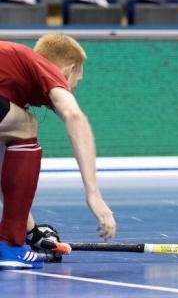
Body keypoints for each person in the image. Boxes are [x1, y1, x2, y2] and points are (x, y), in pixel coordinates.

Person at [0, 34, 116, 270]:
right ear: (70, 69)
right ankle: (10, 246)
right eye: (75, 83)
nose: (71, 89)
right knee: (27, 126)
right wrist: (93, 194)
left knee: (18, 131)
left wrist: (31, 231)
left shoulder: (12, 82)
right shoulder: (47, 68)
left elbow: (3, 173)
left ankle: (12, 240)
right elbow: (74, 116)